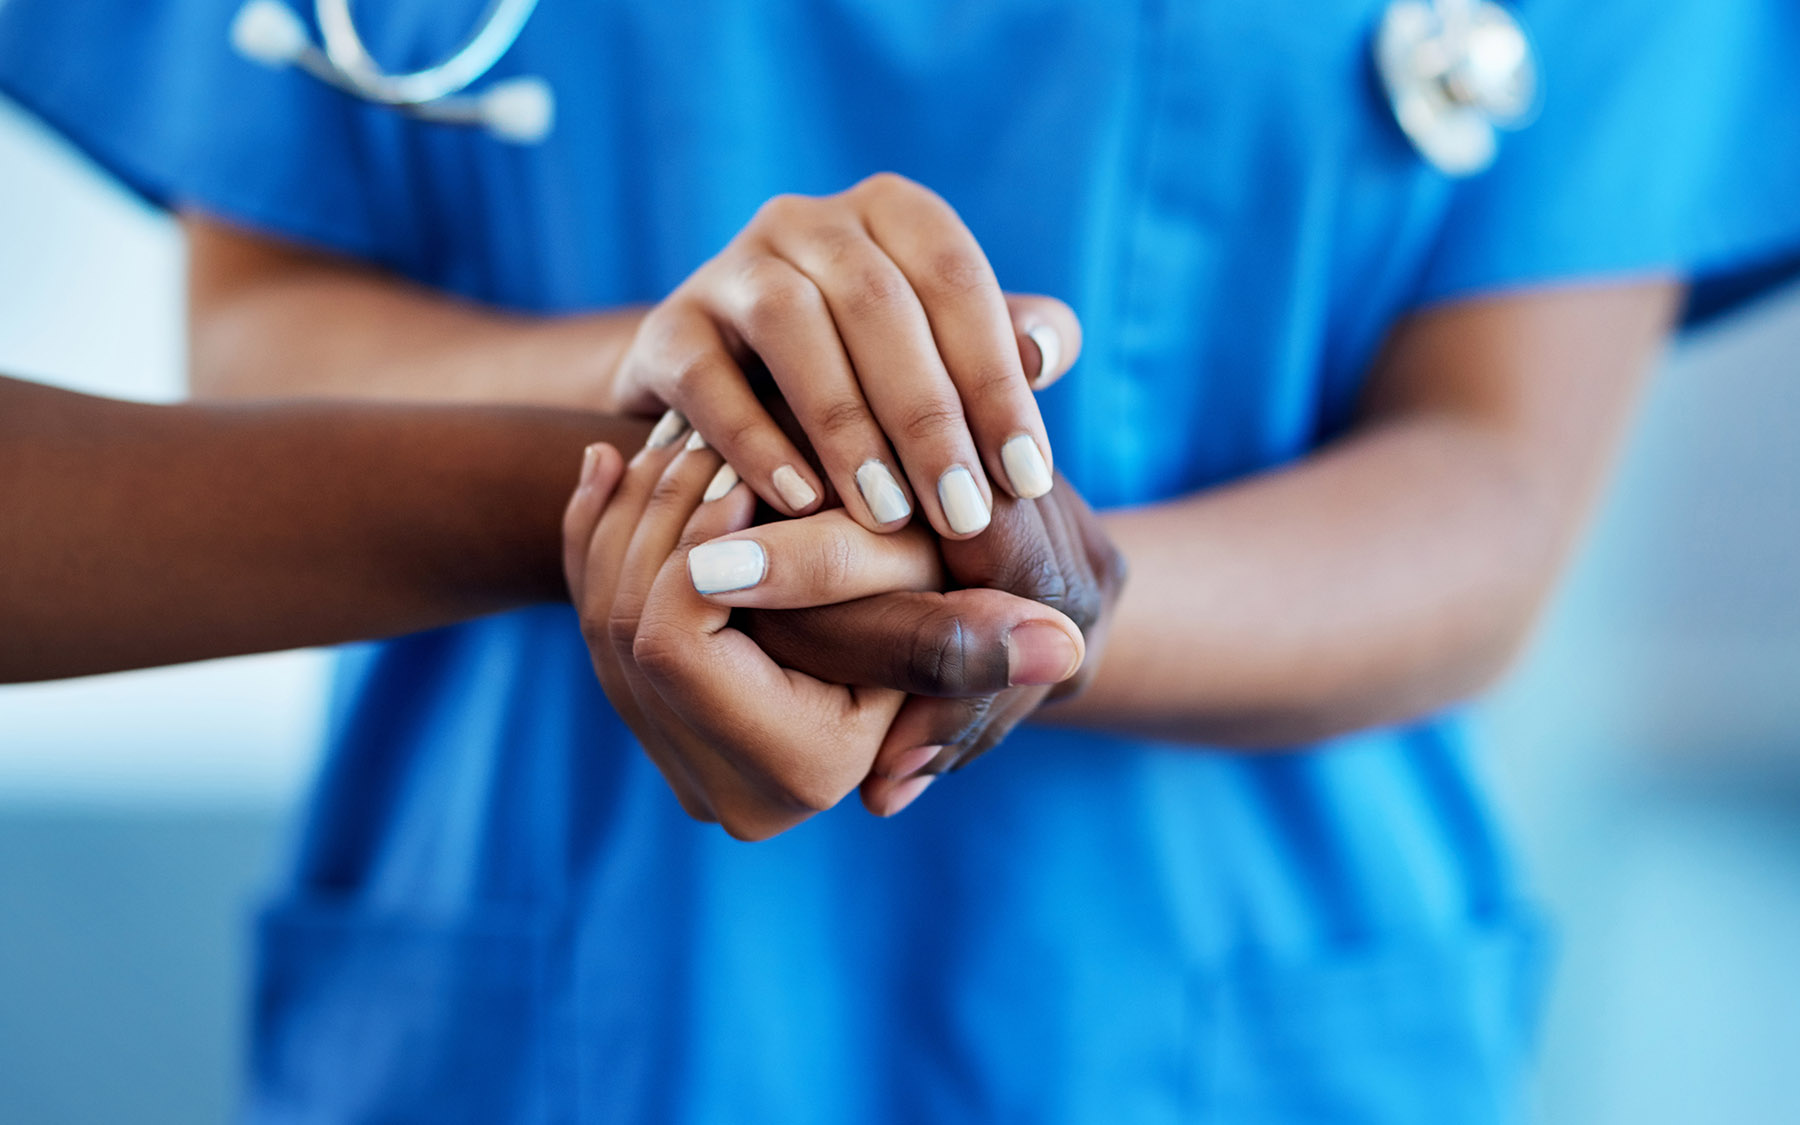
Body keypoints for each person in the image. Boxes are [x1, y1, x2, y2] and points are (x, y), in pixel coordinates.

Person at [4, 0, 1798, 1120]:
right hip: (552, 1002)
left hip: (1235, 1012)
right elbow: (265, 351)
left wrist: (1040, 605)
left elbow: (1488, 484)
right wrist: (706, 397)